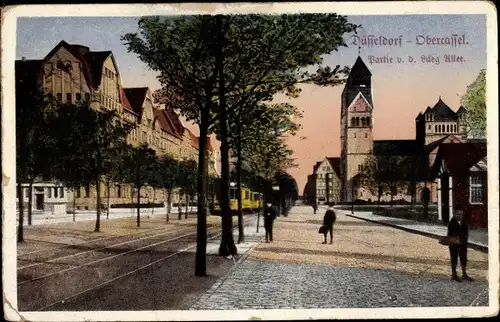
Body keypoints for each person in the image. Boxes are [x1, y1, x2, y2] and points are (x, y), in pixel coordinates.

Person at [447, 208, 473, 282]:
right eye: (458, 214)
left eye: (461, 214)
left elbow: (466, 233)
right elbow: (451, 234)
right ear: (454, 214)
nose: (460, 216)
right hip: (454, 244)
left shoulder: (463, 222)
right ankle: (454, 274)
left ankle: (464, 273)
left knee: (463, 258)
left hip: (463, 244)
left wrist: (464, 241)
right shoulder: (452, 222)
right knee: (454, 259)